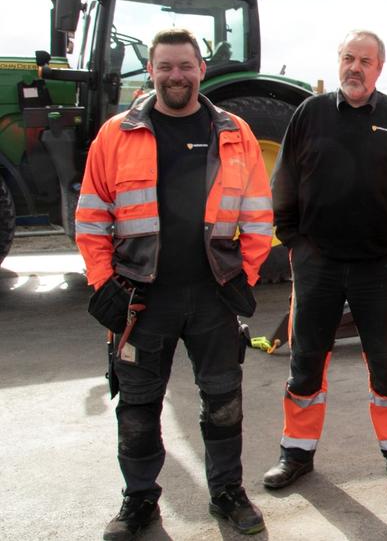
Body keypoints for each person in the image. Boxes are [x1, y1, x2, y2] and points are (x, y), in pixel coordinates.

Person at [76, 28, 273, 539]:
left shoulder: (235, 133)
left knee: (224, 403)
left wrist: (245, 276)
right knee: (138, 408)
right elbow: (93, 217)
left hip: (213, 296)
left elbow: (257, 215)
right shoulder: (116, 135)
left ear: (201, 69)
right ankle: (139, 500)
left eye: (185, 65)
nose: (175, 76)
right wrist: (102, 285)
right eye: (165, 66)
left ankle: (227, 492)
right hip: (142, 299)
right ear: (151, 71)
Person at [262, 30, 387, 493]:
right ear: (338, 62)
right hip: (317, 264)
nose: (355, 67)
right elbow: (285, 181)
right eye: (348, 58)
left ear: (380, 68)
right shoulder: (310, 114)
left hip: (380, 265)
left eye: (365, 60)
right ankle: (295, 454)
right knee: (306, 361)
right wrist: (293, 241)